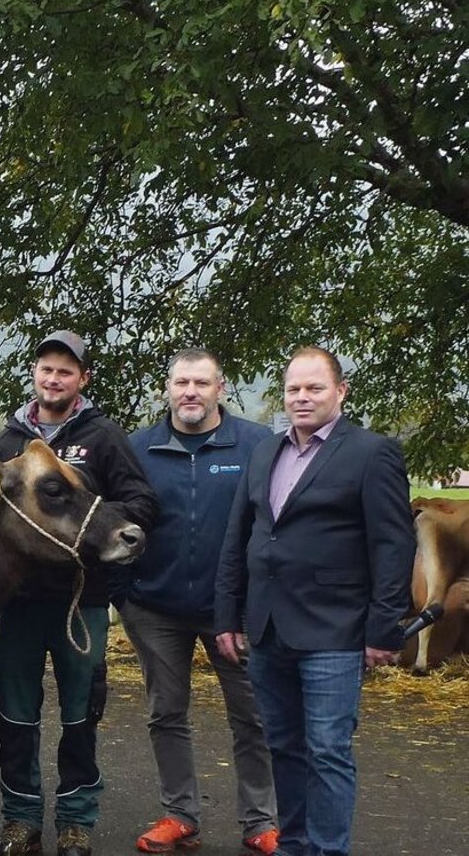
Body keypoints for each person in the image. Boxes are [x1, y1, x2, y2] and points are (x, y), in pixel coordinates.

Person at [215, 347, 415, 856]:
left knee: (327, 751)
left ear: (341, 392)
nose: (302, 398)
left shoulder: (372, 453)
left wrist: (383, 629)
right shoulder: (266, 451)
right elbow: (241, 537)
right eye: (293, 389)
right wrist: (227, 615)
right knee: (282, 745)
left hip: (335, 630)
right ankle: (294, 844)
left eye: (314, 388)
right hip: (267, 628)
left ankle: (328, 850)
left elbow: (393, 546)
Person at [0, 330, 158, 856]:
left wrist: (89, 538)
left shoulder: (103, 437)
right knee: (15, 714)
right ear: (35, 374)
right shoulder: (8, 442)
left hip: (81, 601)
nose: (53, 378)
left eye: (65, 371)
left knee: (80, 714)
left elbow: (141, 504)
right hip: (17, 603)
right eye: (46, 368)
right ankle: (20, 820)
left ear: (82, 379)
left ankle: (76, 821)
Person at [125, 349, 278, 855]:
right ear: (167, 388)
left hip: (231, 612)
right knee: (165, 713)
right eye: (181, 382)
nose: (190, 392)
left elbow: (275, 525)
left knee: (252, 715)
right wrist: (125, 594)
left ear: (221, 387)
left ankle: (261, 821)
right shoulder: (138, 449)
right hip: (154, 607)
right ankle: (179, 814)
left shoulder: (258, 445)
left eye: (201, 383)